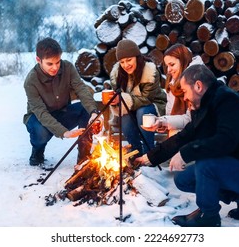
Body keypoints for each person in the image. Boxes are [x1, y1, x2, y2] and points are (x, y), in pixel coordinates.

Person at [136, 64, 239, 227]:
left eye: (184, 91)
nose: (184, 98)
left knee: (205, 164)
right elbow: (184, 136)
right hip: (238, 165)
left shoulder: (228, 101)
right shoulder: (204, 105)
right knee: (183, 179)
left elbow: (225, 141)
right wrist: (150, 158)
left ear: (198, 86)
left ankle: (209, 216)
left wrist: (185, 153)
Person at [23, 37, 102, 166]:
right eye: (50, 64)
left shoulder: (67, 68)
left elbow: (81, 89)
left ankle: (84, 155)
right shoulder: (31, 81)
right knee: (41, 133)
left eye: (58, 62)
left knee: (85, 109)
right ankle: (37, 151)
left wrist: (94, 112)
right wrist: (64, 132)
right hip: (38, 118)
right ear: (39, 60)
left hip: (63, 112)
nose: (55, 67)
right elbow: (41, 113)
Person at [109, 39, 166, 154]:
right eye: (122, 62)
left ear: (137, 57)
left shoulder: (149, 71)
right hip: (132, 109)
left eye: (129, 60)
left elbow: (148, 98)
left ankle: (149, 153)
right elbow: (120, 99)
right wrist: (115, 102)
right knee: (125, 118)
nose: (126, 65)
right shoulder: (117, 74)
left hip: (153, 105)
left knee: (142, 113)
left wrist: (124, 100)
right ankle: (136, 153)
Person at [143, 43, 203, 138]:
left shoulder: (196, 81)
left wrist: (164, 121)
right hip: (181, 129)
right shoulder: (173, 84)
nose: (168, 70)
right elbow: (170, 113)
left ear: (183, 61)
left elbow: (190, 119)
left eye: (172, 65)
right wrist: (162, 123)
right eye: (167, 66)